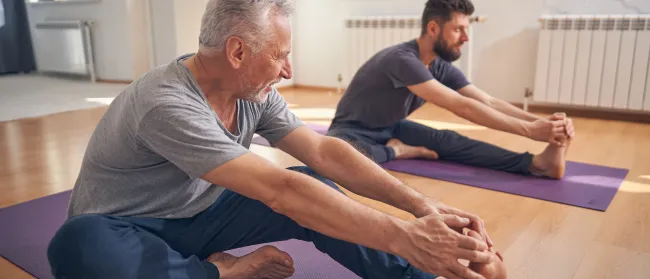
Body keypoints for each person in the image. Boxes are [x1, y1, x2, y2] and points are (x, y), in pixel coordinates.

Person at [46, 1, 499, 279]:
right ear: (238, 51)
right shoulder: (165, 102)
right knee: (75, 247)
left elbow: (322, 151)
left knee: (313, 183)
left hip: (205, 215)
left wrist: (423, 208)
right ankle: (218, 272)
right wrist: (405, 236)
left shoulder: (251, 91)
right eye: (280, 55)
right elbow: (279, 192)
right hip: (131, 229)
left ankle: (417, 277)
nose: (288, 70)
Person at [327, 0, 574, 179]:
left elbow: (488, 102)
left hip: (390, 126)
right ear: (433, 29)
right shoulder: (403, 60)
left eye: (466, 30)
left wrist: (543, 123)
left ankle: (537, 164)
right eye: (458, 30)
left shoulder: (439, 65)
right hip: (351, 131)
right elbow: (461, 105)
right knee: (343, 158)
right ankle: (397, 150)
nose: (465, 38)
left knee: (448, 141)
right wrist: (531, 131)